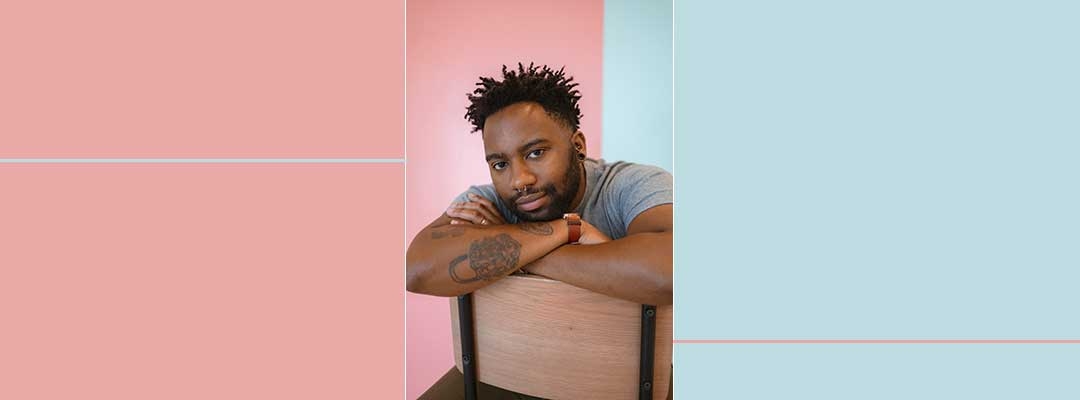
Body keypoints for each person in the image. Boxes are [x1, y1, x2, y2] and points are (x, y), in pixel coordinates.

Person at [407, 63, 673, 400]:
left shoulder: (635, 185)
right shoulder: (486, 200)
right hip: (513, 373)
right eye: (500, 164)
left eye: (536, 153)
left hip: (624, 381)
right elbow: (416, 269)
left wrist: (510, 248)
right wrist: (565, 231)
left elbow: (672, 272)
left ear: (578, 145)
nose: (519, 180)